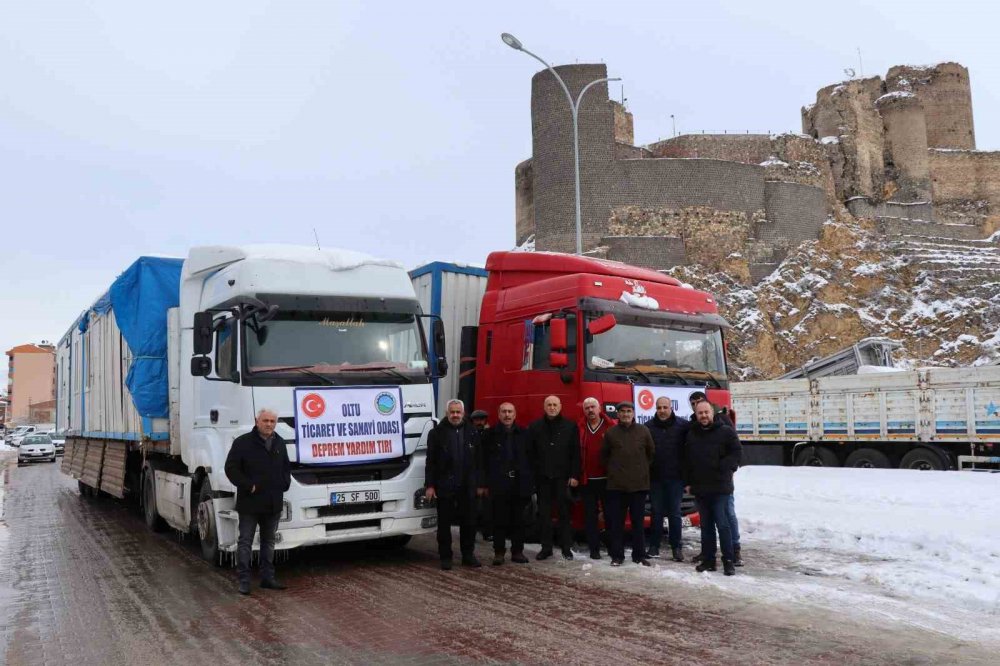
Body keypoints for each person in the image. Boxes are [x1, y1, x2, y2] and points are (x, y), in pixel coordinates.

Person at [224, 408, 292, 595]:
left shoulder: (279, 442)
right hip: (250, 503)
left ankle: (267, 578)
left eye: (272, 421)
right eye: (265, 421)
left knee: (268, 542)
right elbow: (231, 469)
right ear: (257, 421)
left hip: (273, 502)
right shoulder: (242, 442)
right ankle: (244, 581)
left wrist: (284, 484)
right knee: (245, 542)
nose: (269, 424)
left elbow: (286, 466)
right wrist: (248, 486)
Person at [685, 400, 742, 576]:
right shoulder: (692, 433)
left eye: (706, 412)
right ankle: (709, 560)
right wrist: (688, 482)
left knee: (723, 526)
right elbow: (686, 460)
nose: (703, 416)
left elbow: (736, 453)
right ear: (696, 415)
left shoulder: (725, 431)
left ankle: (729, 561)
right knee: (706, 526)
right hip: (701, 488)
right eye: (700, 413)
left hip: (720, 487)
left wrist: (723, 467)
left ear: (712, 413)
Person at [425, 399, 481, 570]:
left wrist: (480, 484)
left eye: (458, 412)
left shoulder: (472, 432)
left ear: (463, 413)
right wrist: (430, 485)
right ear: (447, 413)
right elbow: (431, 462)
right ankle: (446, 557)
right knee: (444, 525)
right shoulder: (436, 433)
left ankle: (468, 556)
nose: (455, 415)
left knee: (469, 523)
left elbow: (480, 461)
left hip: (467, 485)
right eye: (452, 412)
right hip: (445, 485)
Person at [600, 401, 655, 567]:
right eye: (622, 411)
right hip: (617, 486)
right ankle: (617, 556)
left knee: (638, 523)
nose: (625, 414)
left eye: (628, 411)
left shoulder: (643, 431)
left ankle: (639, 555)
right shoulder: (611, 433)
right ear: (618, 414)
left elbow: (650, 453)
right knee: (617, 524)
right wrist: (615, 471)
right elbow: (604, 457)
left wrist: (641, 469)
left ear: (633, 413)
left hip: (639, 486)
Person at [478, 402, 533, 565]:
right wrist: (483, 484)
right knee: (499, 520)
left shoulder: (524, 434)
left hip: (519, 483)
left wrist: (530, 482)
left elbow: (532, 459)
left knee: (519, 521)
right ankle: (499, 552)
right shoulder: (489, 435)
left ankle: (517, 552)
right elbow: (482, 461)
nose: (507, 415)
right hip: (498, 484)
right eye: (504, 412)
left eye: (510, 412)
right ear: (498, 414)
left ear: (515, 414)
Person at [528, 395, 581, 560]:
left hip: (562, 478)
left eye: (555, 405)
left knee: (564, 514)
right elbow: (530, 453)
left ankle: (566, 548)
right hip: (542, 478)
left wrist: (574, 474)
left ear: (560, 406)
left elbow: (575, 453)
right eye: (549, 405)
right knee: (544, 515)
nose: (552, 407)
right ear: (544, 407)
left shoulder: (570, 427)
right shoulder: (535, 427)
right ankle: (546, 548)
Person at [646, 396, 690, 562]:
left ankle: (676, 547)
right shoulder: (648, 427)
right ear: (655, 409)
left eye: (665, 407)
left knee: (675, 514)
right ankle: (654, 546)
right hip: (655, 478)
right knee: (656, 513)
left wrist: (686, 477)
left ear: (671, 408)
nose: (662, 411)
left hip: (675, 479)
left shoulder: (683, 426)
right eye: (659, 408)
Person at [578, 397, 615, 559]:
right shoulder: (579, 428)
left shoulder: (611, 427)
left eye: (593, 407)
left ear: (599, 408)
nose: (590, 410)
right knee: (590, 516)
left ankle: (614, 548)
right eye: (587, 408)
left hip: (607, 479)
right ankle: (594, 549)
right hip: (587, 480)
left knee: (610, 515)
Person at [470, 409, 493, 543]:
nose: (479, 422)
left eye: (481, 419)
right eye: (477, 420)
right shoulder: (468, 434)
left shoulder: (490, 435)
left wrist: (484, 483)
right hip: (472, 477)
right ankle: (471, 533)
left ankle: (487, 532)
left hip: (486, 476)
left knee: (487, 508)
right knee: (472, 509)